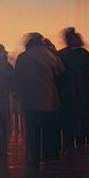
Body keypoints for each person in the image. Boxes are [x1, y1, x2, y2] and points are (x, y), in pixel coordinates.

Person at [14, 32, 63, 170]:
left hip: (29, 100)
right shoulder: (50, 56)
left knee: (32, 131)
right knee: (49, 130)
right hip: (49, 99)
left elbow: (17, 78)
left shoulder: (23, 57)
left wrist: (18, 94)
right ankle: (50, 156)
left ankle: (33, 157)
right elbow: (60, 74)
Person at [59, 27, 89, 148]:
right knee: (85, 117)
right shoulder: (84, 53)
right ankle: (87, 139)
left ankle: (70, 141)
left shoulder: (61, 54)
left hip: (67, 92)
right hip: (84, 91)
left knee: (69, 117)